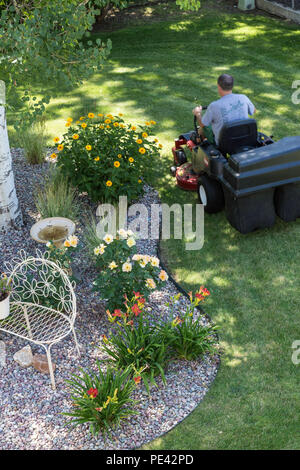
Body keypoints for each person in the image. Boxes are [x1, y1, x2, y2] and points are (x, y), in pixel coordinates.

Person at [193, 74, 256, 145]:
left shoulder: (214, 106)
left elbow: (203, 124)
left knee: (202, 129)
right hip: (244, 137)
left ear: (218, 86)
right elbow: (253, 110)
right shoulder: (243, 98)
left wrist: (198, 114)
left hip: (224, 144)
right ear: (232, 86)